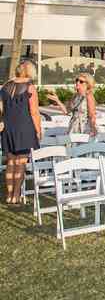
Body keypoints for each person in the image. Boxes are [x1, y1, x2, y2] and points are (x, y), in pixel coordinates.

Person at [1, 61, 42, 205]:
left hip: (8, 128)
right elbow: (34, 112)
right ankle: (16, 195)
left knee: (11, 162)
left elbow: (1, 108)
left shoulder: (5, 85)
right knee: (21, 163)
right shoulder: (30, 87)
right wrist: (38, 131)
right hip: (24, 128)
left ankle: (9, 195)